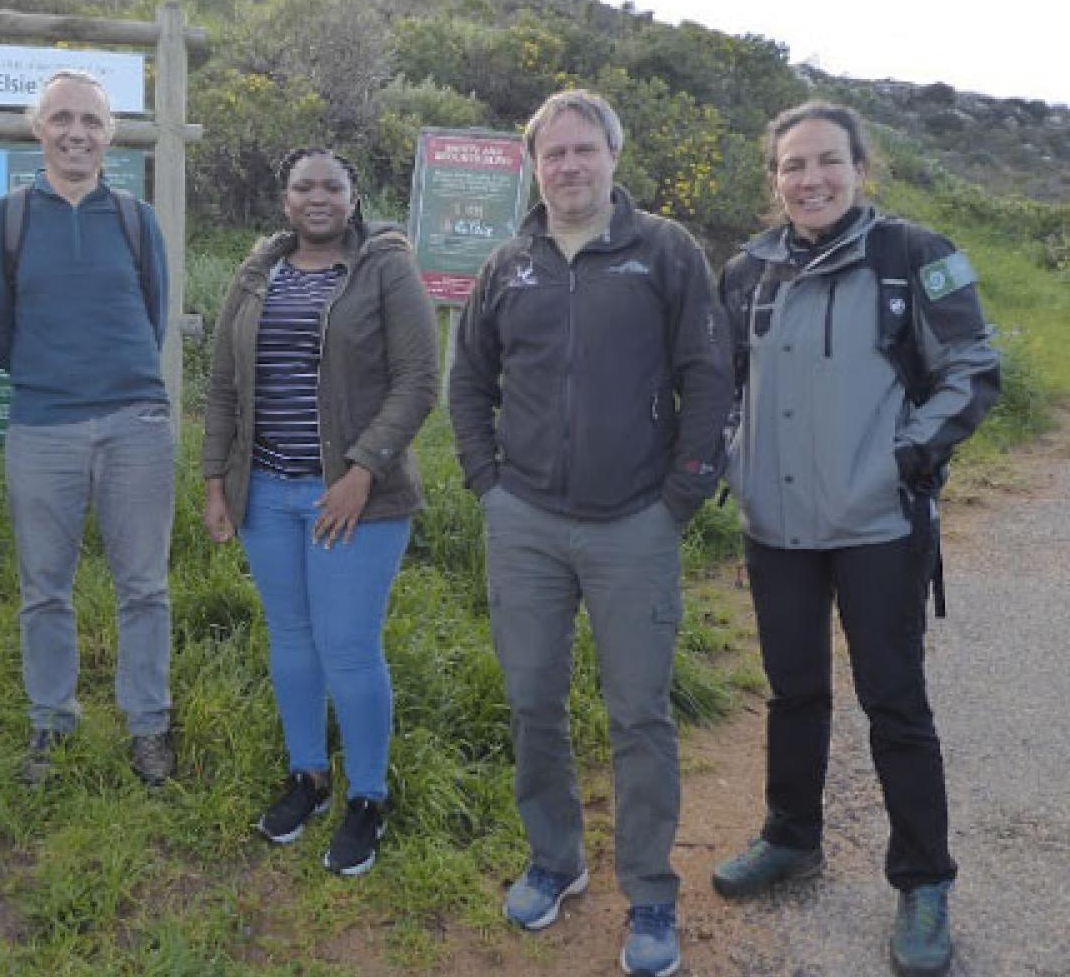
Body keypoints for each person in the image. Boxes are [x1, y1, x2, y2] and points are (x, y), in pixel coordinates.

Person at [711, 101, 999, 977]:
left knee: (894, 701)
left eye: (827, 161)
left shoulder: (916, 257)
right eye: (793, 166)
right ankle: (792, 836)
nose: (811, 179)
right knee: (795, 693)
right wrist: (732, 460)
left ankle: (923, 881)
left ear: (858, 166)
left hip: (878, 524)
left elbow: (972, 369)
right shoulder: (746, 270)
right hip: (777, 526)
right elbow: (719, 382)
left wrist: (900, 462)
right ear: (775, 180)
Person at [449, 89, 733, 976]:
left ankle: (650, 895)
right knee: (534, 700)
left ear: (613, 155)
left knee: (638, 713)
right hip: (525, 521)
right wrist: (489, 487)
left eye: (583, 150)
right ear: (534, 167)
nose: (568, 166)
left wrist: (679, 498)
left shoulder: (666, 252)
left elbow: (708, 375)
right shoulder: (509, 265)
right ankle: (556, 860)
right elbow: (467, 386)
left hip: (633, 525)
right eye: (552, 154)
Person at [201, 147, 438, 875]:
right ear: (285, 199)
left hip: (353, 501)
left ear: (353, 194)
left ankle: (368, 796)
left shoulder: (386, 267)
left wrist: (363, 471)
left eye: (331, 185)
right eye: (302, 184)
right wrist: (216, 481)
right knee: (292, 640)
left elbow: (418, 379)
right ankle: (307, 776)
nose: (316, 197)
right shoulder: (255, 274)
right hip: (266, 494)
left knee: (347, 646)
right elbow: (221, 389)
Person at [0, 69, 177, 786]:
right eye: (62, 118)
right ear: (39, 128)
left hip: (136, 423)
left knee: (144, 587)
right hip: (43, 426)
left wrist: (116, 382)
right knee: (44, 590)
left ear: (109, 134)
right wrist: (53, 376)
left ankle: (149, 725)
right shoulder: (6, 220)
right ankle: (51, 722)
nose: (76, 133)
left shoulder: (134, 218)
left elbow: (151, 316)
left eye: (91, 121)